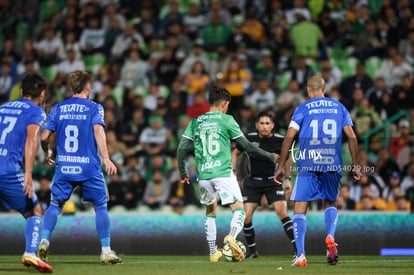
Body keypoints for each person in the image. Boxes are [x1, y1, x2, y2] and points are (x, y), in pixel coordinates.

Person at [177, 87, 278, 263]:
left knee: (210, 209)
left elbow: (181, 149)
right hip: (223, 172)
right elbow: (246, 146)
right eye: (227, 105)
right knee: (239, 209)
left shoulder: (195, 122)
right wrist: (270, 156)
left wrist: (183, 171)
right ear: (224, 104)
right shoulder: (227, 120)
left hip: (204, 175)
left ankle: (212, 253)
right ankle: (231, 237)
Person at [274, 76, 362, 267]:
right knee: (330, 202)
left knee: (300, 207)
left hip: (307, 163)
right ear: (324, 88)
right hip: (332, 162)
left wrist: (281, 166)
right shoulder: (339, 107)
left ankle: (301, 255)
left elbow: (289, 137)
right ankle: (330, 235)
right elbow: (352, 137)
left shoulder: (303, 108)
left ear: (308, 89)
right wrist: (355, 164)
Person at [38, 70, 122, 264]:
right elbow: (98, 131)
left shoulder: (59, 108)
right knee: (100, 206)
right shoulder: (94, 108)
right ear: (88, 87)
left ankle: (43, 241)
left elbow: (44, 137)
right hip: (88, 167)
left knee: (55, 205)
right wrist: (107, 158)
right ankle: (106, 250)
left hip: (64, 166)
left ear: (71, 87)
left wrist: (48, 151)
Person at [0, 73, 53, 273]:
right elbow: (32, 139)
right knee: (34, 211)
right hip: (7, 170)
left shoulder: (2, 107)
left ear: (21, 91)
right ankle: (30, 253)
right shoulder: (36, 112)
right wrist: (29, 174)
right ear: (42, 94)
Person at [232, 111, 296, 258]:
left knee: (282, 213)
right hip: (252, 182)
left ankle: (298, 249)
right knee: (246, 217)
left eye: (268, 123)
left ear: (273, 125)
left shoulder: (281, 140)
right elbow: (235, 153)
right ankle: (252, 251)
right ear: (256, 125)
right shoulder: (249, 138)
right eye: (262, 123)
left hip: (273, 181)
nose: (265, 126)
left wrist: (287, 179)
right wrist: (233, 172)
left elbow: (287, 159)